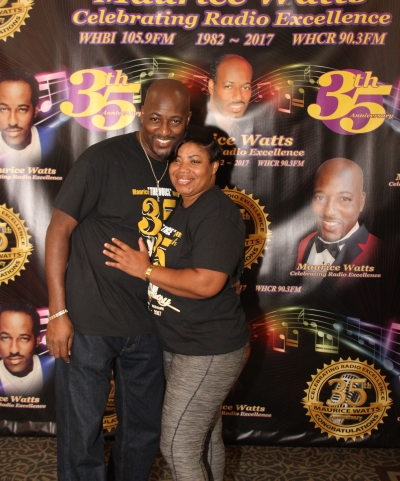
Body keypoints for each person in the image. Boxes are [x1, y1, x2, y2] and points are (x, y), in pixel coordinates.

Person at [45, 79, 191, 481]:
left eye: (175, 121)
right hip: (90, 324)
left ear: (188, 120)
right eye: (155, 118)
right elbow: (58, 230)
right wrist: (57, 312)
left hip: (152, 326)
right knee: (81, 437)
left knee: (142, 435)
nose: (164, 130)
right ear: (140, 114)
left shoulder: (186, 169)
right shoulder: (103, 159)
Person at [104, 126, 250, 481]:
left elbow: (206, 283)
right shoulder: (185, 207)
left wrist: (145, 270)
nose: (183, 169)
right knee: (205, 437)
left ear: (215, 166)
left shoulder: (216, 213)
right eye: (178, 160)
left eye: (195, 161)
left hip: (207, 349)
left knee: (177, 445)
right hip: (182, 343)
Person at [296, 157, 380, 268]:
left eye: (344, 199)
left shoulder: (378, 250)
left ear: (361, 202)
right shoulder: (305, 243)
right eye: (320, 197)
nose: (329, 212)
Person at [0, 300, 54, 397]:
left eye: (24, 339)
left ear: (37, 340)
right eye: (5, 338)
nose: (14, 350)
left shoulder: (54, 370)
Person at [0, 67, 53, 166]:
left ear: (35, 111)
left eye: (22, 109)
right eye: (3, 109)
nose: (12, 122)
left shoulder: (55, 142)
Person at [205, 54, 253, 135]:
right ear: (212, 87)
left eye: (245, 87)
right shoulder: (195, 131)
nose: (238, 97)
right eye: (228, 86)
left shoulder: (243, 132)